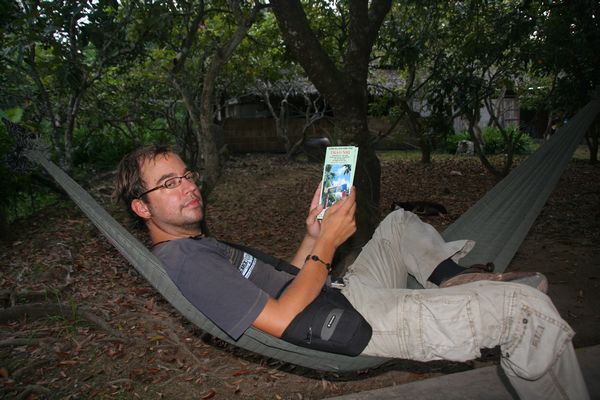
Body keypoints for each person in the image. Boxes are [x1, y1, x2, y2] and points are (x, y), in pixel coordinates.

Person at [115, 144, 589, 400]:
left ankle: (451, 279)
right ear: (141, 206)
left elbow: (286, 281)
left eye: (187, 176)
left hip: (336, 292)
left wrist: (311, 236)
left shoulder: (196, 244)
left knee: (398, 222)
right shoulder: (188, 262)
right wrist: (327, 245)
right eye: (169, 183)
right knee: (526, 310)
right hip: (348, 320)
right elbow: (281, 319)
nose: (188, 188)